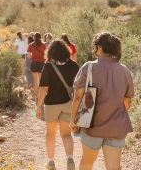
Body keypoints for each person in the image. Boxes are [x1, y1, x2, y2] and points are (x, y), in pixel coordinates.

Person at [70, 32, 134, 170]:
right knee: (113, 166)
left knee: (87, 162)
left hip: (92, 125)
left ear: (98, 47)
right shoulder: (124, 70)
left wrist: (73, 120)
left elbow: (77, 97)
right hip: (116, 127)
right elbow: (127, 101)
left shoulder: (89, 67)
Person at [36, 40, 79, 170]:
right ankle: (70, 158)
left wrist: (38, 107)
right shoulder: (72, 65)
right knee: (66, 134)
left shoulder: (48, 66)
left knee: (51, 134)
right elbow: (78, 85)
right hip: (68, 104)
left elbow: (44, 89)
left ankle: (51, 162)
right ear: (66, 50)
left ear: (51, 52)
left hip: (51, 105)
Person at [27, 32, 47, 98]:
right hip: (42, 64)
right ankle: (42, 96)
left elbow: (28, 56)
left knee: (35, 81)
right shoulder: (44, 45)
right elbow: (46, 56)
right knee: (42, 80)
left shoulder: (30, 45)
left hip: (34, 63)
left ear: (33, 38)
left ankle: (36, 96)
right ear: (40, 38)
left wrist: (34, 55)